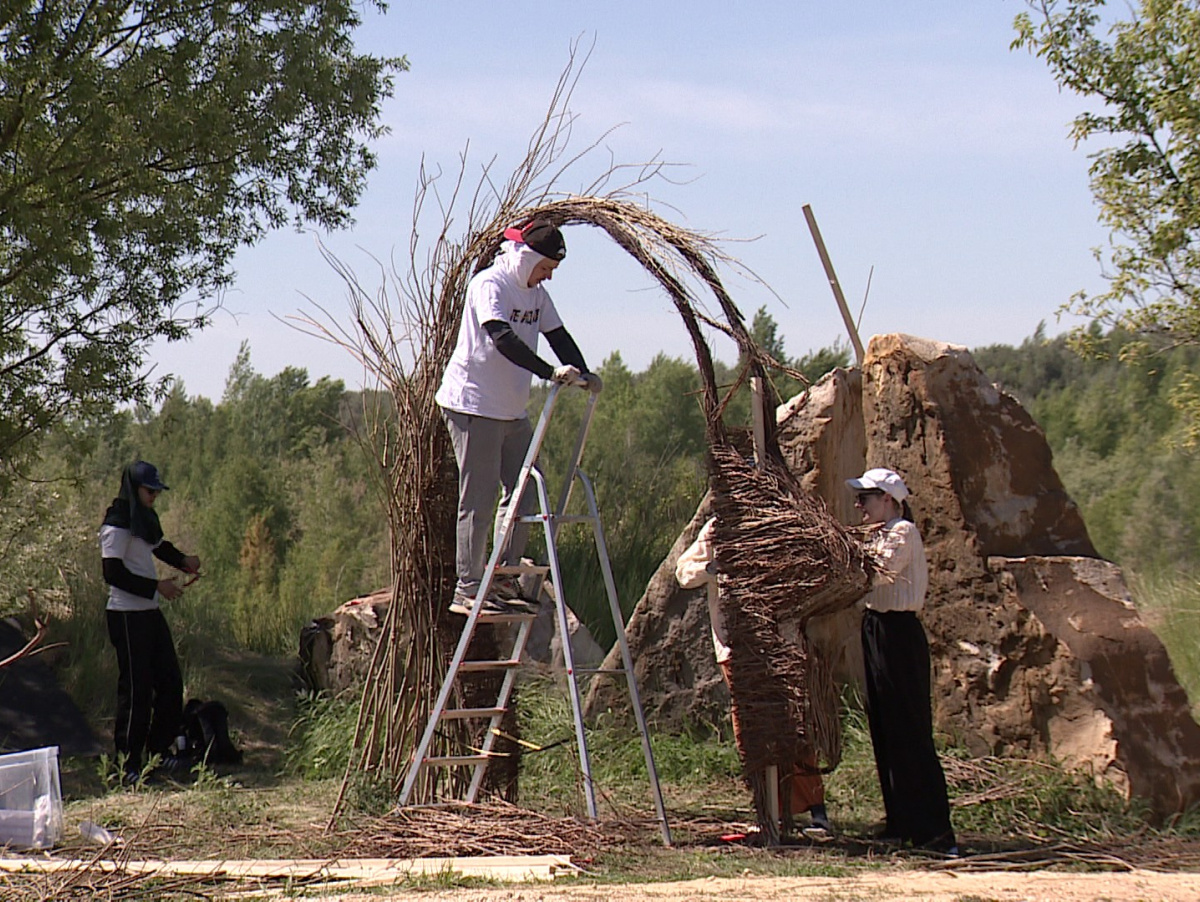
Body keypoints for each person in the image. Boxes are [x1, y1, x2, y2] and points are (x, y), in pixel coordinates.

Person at [436, 218, 601, 616]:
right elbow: (502, 338)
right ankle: (469, 587)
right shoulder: (490, 285)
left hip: (512, 409)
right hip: (473, 405)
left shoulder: (538, 296)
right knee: (479, 496)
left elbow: (558, 337)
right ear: (528, 258)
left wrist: (583, 372)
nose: (547, 277)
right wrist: (549, 373)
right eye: (545, 268)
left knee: (527, 489)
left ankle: (504, 575)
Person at [675, 516, 832, 837]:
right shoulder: (718, 527)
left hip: (779, 645)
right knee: (752, 731)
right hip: (736, 649)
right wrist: (711, 569)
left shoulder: (779, 523)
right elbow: (683, 571)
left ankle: (816, 811)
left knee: (792, 722)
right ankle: (767, 810)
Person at [846, 467, 958, 855]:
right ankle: (900, 821)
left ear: (889, 500)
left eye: (867, 497)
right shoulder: (875, 535)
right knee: (884, 725)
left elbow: (877, 572)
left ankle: (934, 830)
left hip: (898, 633)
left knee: (910, 729)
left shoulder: (901, 532)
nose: (860, 504)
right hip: (875, 627)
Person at [100, 460, 200, 783]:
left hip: (148, 612)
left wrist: (184, 561)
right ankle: (127, 763)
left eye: (157, 491)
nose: (154, 495)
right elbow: (112, 574)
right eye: (149, 490)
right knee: (136, 689)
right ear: (134, 488)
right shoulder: (116, 523)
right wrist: (156, 587)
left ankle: (158, 754)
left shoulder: (145, 520)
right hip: (126, 615)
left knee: (171, 681)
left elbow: (159, 547)